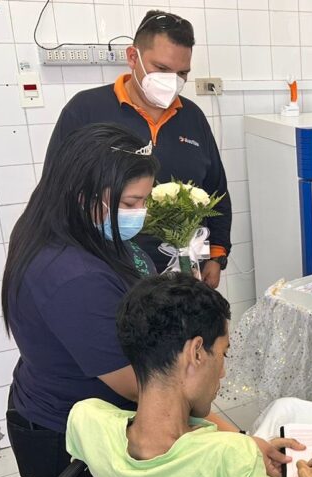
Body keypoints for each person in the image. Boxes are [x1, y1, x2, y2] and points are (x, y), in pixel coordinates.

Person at [1, 124, 279, 477]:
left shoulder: (84, 233)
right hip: (60, 430)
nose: (142, 212)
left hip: (81, 404)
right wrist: (239, 442)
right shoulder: (72, 276)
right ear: (84, 197)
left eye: (146, 199)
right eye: (132, 203)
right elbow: (149, 385)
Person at [66, 273, 312, 477]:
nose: (222, 372)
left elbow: (161, 461)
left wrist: (240, 442)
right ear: (196, 352)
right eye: (223, 354)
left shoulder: (85, 421)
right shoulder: (236, 460)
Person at [45, 9, 231, 287]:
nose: (173, 81)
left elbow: (216, 189)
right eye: (163, 69)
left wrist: (216, 255)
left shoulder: (192, 117)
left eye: (183, 73)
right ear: (133, 57)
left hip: (182, 271)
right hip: (109, 269)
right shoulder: (86, 110)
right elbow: (56, 192)